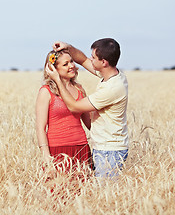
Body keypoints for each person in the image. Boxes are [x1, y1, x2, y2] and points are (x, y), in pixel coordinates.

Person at [46, 38, 128, 178]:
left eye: (94, 57)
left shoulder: (112, 88)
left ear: (104, 62)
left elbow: (74, 106)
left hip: (109, 151)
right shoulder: (110, 74)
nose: (90, 59)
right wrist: (68, 47)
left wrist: (58, 80)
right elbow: (83, 60)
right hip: (104, 148)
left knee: (104, 194)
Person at [35, 49, 92, 179]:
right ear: (53, 69)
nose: (71, 65)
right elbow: (40, 128)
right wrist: (47, 159)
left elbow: (89, 122)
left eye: (71, 61)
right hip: (58, 151)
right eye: (65, 64)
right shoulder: (46, 92)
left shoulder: (79, 89)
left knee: (83, 195)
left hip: (81, 148)